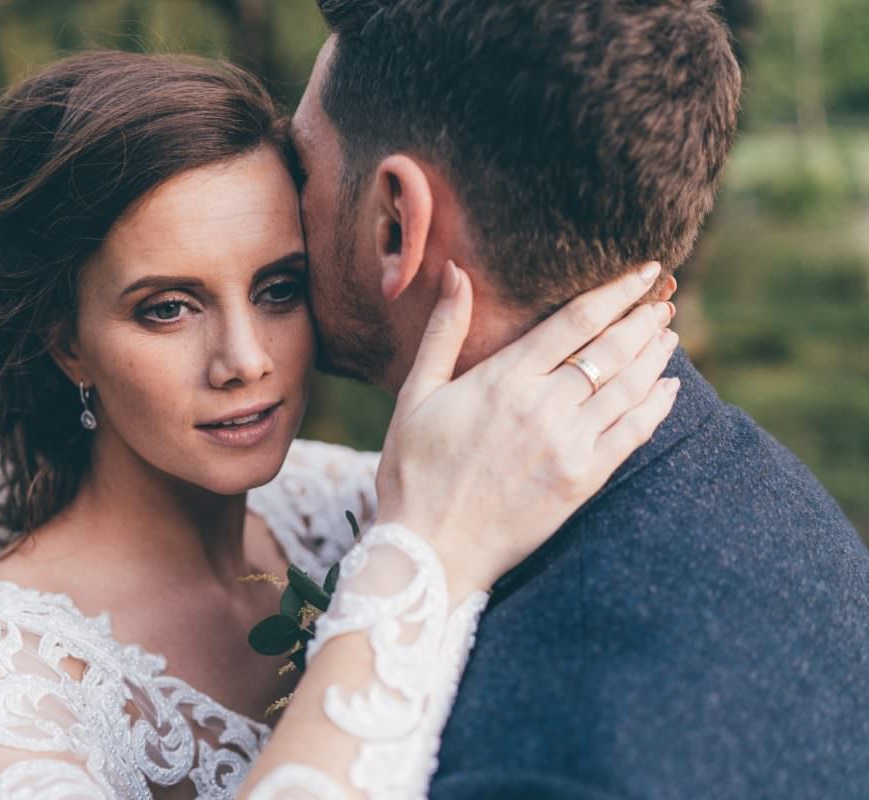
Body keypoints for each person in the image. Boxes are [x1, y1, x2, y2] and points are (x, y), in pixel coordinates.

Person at [0, 51, 677, 799]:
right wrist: (420, 562)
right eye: (168, 308)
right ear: (66, 342)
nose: (245, 358)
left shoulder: (344, 500)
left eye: (279, 288)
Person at [285, 0, 869, 796]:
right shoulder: (765, 494)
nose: (280, 214)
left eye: (300, 168)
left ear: (396, 224)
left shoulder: (555, 762)